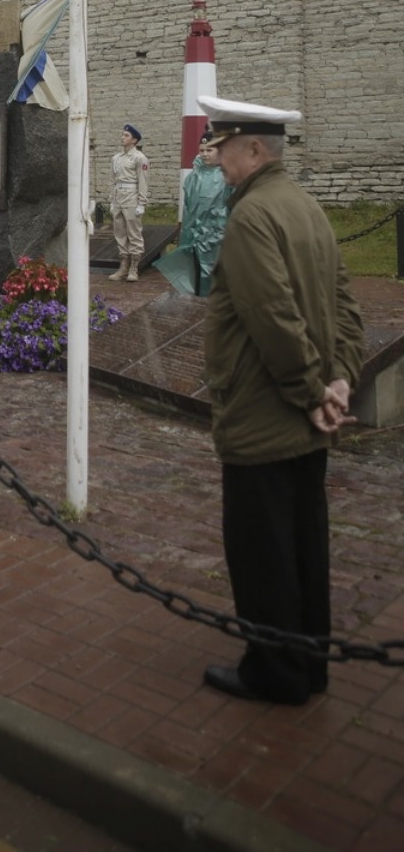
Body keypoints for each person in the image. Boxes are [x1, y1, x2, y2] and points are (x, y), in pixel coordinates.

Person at [197, 94, 364, 705]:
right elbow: (346, 308)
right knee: (303, 541)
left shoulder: (251, 217)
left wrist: (309, 390)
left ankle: (274, 672)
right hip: (308, 415)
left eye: (221, 149)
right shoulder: (306, 207)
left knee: (262, 549)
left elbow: (271, 317)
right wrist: (341, 381)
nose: (215, 161)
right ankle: (306, 662)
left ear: (254, 150)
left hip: (266, 415)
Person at [177, 131, 231, 296]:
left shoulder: (228, 176)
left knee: (216, 278)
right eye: (202, 151)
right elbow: (187, 207)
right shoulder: (193, 177)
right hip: (194, 236)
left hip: (217, 237)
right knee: (195, 277)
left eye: (210, 150)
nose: (205, 154)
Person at [108, 123, 149, 282]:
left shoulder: (139, 158)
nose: (122, 137)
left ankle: (134, 267)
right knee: (119, 232)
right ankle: (123, 265)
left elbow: (143, 182)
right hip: (119, 197)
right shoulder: (116, 158)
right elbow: (112, 181)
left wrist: (141, 204)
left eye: (126, 135)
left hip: (132, 197)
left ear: (134, 140)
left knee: (133, 232)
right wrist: (112, 200)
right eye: (123, 134)